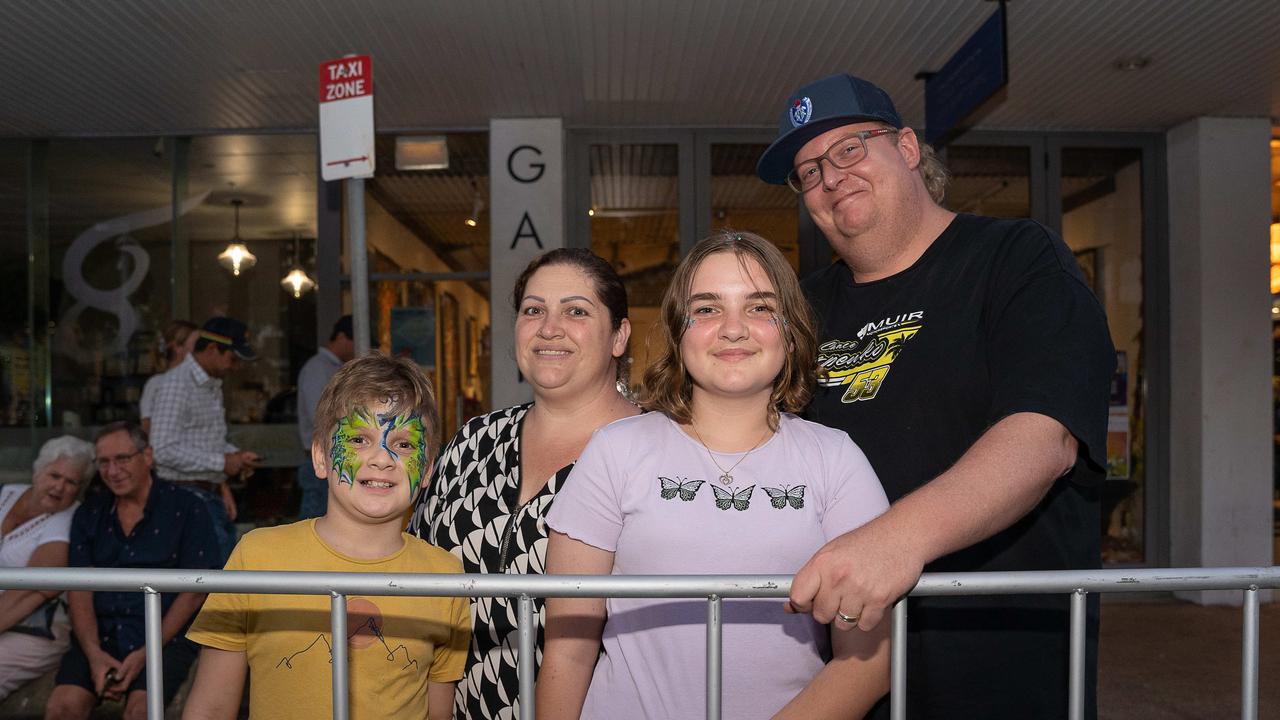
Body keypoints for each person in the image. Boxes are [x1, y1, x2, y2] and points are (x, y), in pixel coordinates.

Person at [755, 73, 1116, 718]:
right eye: (808, 171)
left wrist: (896, 539)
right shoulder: (803, 308)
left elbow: (1045, 435)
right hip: (844, 675)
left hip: (1002, 670)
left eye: (849, 148)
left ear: (909, 147)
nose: (830, 177)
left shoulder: (1017, 258)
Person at [537, 232, 891, 720]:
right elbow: (568, 647)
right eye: (706, 309)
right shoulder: (616, 449)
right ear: (679, 330)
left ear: (791, 332)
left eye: (760, 307)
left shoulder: (836, 460)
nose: (733, 329)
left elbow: (866, 659)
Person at [407, 247, 638, 719]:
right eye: (534, 310)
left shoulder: (656, 454)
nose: (549, 328)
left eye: (576, 311)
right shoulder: (473, 441)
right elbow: (414, 574)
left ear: (619, 336)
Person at [182, 353, 469, 720]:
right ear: (320, 457)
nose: (382, 458)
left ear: (427, 470)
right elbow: (210, 707)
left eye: (404, 444)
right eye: (359, 439)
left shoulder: (444, 576)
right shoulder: (257, 557)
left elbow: (438, 712)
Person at [44, 421, 219, 720]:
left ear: (147, 457)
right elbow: (79, 589)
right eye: (104, 462)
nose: (113, 471)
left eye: (122, 459)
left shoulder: (188, 507)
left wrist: (145, 654)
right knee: (63, 707)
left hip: (166, 638)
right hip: (102, 636)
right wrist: (94, 654)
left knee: (141, 712)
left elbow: (195, 591)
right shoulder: (91, 512)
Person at [149, 316, 262, 561]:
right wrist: (222, 462)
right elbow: (162, 449)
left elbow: (206, 439)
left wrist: (235, 457)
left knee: (221, 572)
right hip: (184, 495)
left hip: (204, 493)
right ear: (211, 349)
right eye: (232, 359)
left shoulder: (210, 383)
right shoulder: (177, 384)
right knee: (213, 576)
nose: (235, 367)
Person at [0, 435, 95, 700]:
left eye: (71, 482)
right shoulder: (6, 493)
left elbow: (29, 592)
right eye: (54, 475)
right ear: (38, 470)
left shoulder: (69, 518)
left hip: (31, 630)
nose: (59, 487)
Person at [295, 314, 355, 519]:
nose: (357, 348)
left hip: (335, 457)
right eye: (354, 341)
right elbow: (318, 416)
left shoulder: (336, 368)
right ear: (341, 337)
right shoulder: (317, 368)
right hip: (320, 459)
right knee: (314, 524)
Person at [139, 320, 198, 436]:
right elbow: (147, 426)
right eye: (196, 345)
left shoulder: (199, 382)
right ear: (177, 347)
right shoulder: (157, 383)